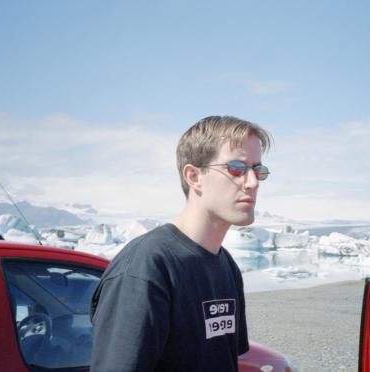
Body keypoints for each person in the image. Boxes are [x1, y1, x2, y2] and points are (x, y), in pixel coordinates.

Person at [90, 115, 273, 371]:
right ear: (193, 176)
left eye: (258, 170)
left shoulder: (225, 265)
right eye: (237, 168)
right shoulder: (147, 267)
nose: (252, 183)